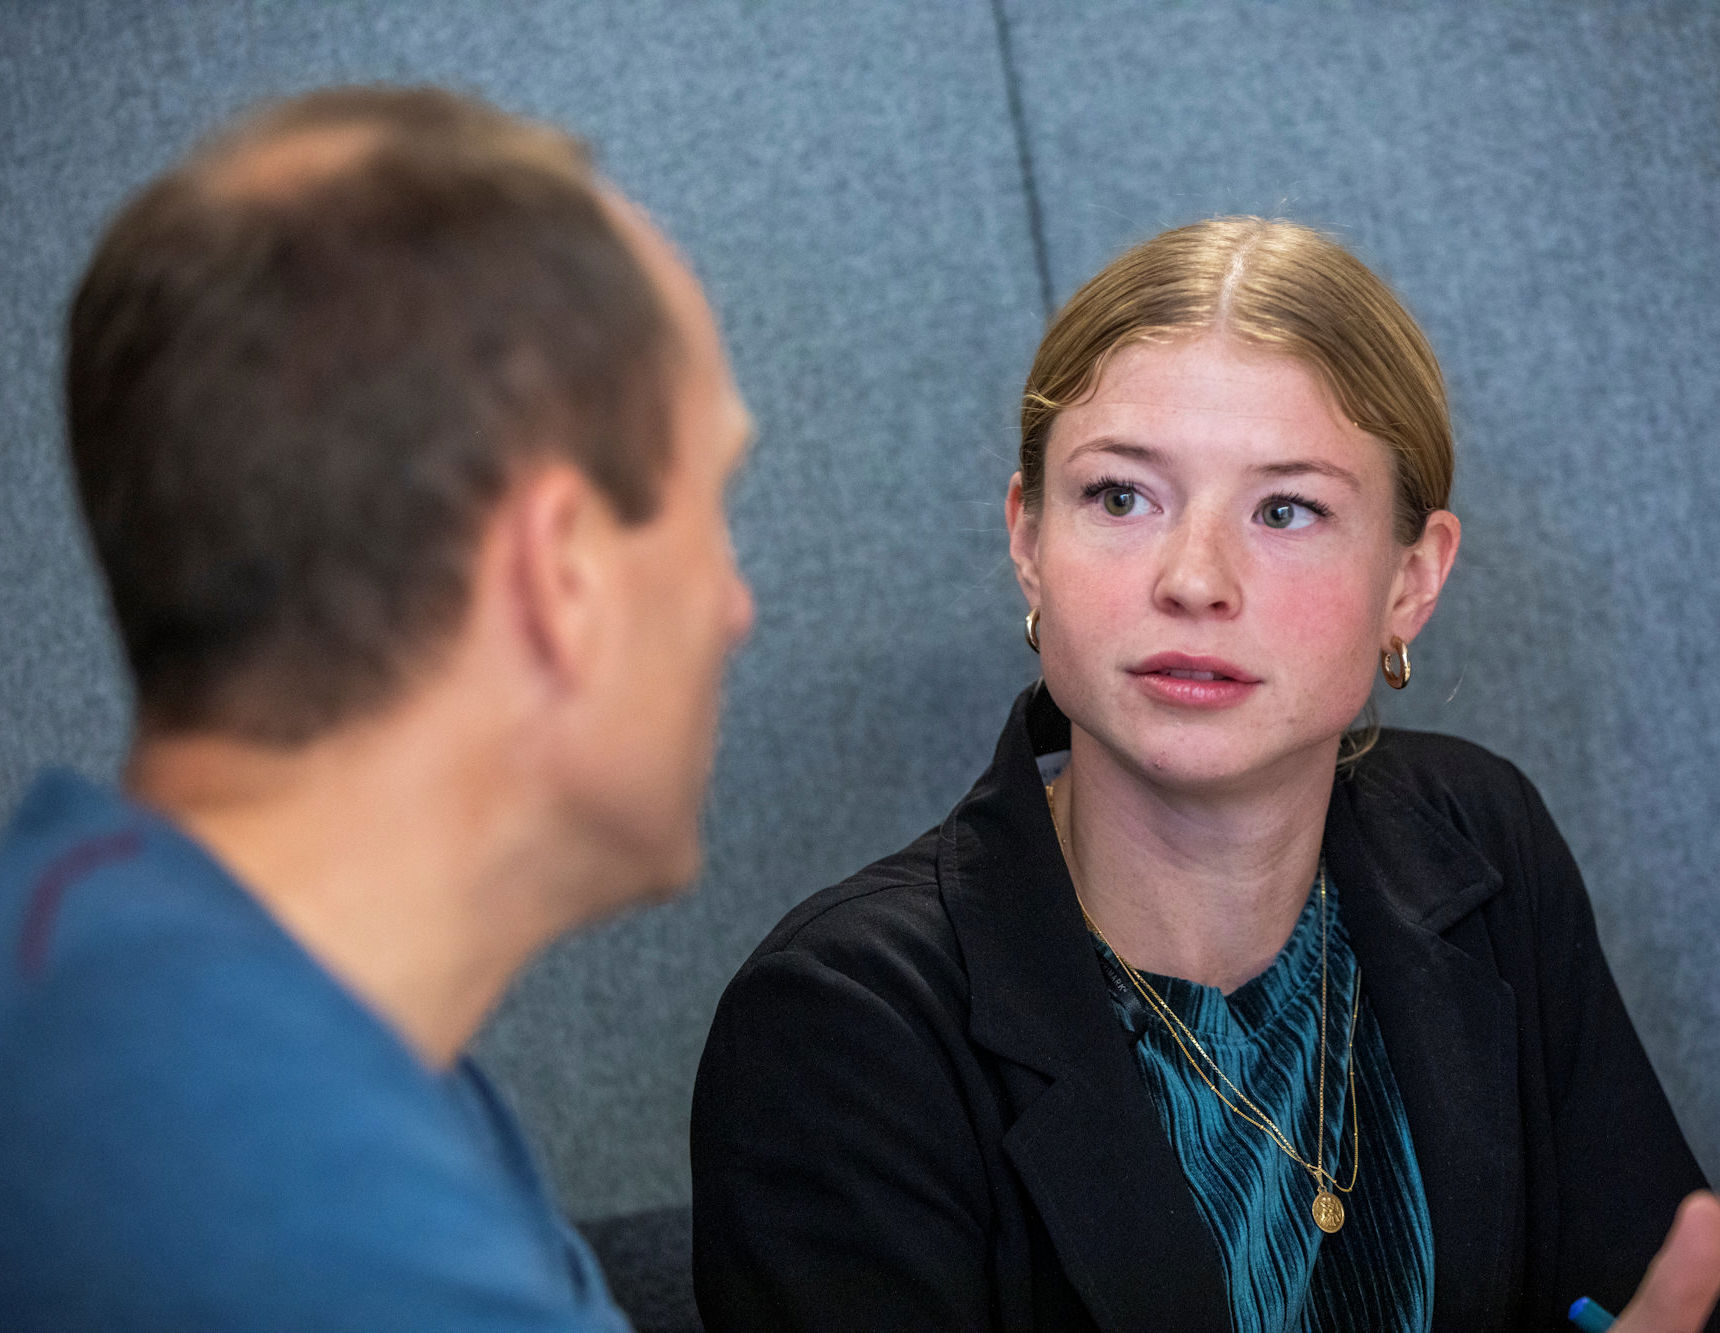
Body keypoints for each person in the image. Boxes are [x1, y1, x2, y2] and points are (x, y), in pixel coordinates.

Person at [690, 218, 1720, 1332]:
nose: (1194, 579)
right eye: (1120, 496)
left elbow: (1652, 1288)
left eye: (1286, 509)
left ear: (1411, 583)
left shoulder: (1478, 835)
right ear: (1028, 541)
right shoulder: (842, 1020)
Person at [0, 86, 753, 1329]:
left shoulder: (113, 975)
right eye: (710, 499)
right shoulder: (297, 1231)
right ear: (562, 574)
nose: (734, 604)